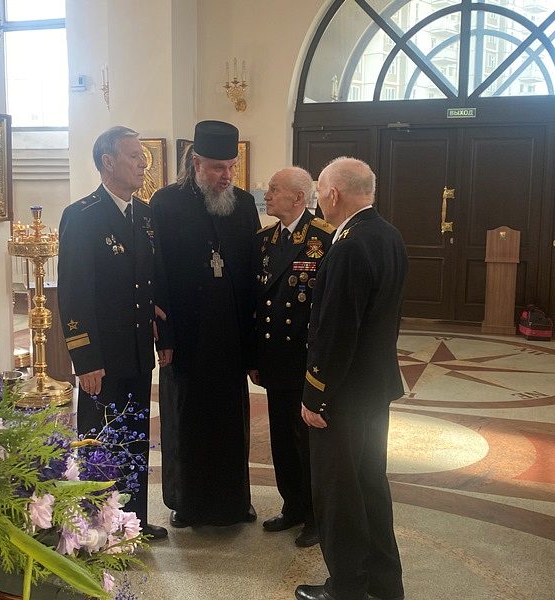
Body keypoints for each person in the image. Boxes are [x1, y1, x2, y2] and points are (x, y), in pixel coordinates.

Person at [295, 157, 408, 600]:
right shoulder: (388, 234)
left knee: (339, 492)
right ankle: (383, 580)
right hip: (374, 388)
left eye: (319, 192)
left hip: (342, 394)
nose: (318, 201)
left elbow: (335, 331)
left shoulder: (348, 246)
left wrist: (315, 394)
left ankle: (345, 586)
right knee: (370, 484)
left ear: (334, 193)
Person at [57, 125, 174, 540]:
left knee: (134, 438)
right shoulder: (82, 216)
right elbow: (74, 294)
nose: (143, 164)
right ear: (108, 162)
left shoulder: (144, 214)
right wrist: (85, 359)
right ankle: (97, 530)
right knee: (101, 442)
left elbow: (153, 282)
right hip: (103, 358)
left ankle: (131, 522)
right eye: (134, 156)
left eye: (143, 157)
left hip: (138, 351)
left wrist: (165, 337)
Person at [150, 120, 260, 527]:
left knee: (231, 418)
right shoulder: (165, 203)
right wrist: (165, 337)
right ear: (196, 163)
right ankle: (186, 502)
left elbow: (255, 273)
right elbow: (157, 274)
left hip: (230, 333)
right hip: (187, 334)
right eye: (217, 168)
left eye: (231, 167)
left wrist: (253, 343)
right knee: (186, 416)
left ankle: (235, 502)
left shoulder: (243, 204)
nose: (226, 176)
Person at [249, 167, 334, 548]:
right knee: (282, 437)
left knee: (307, 442)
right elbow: (256, 304)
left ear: (299, 198)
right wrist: (254, 357)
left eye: (274, 189)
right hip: (274, 357)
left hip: (304, 360)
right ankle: (293, 505)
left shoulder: (324, 238)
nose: (266, 195)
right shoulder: (265, 240)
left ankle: (316, 516)